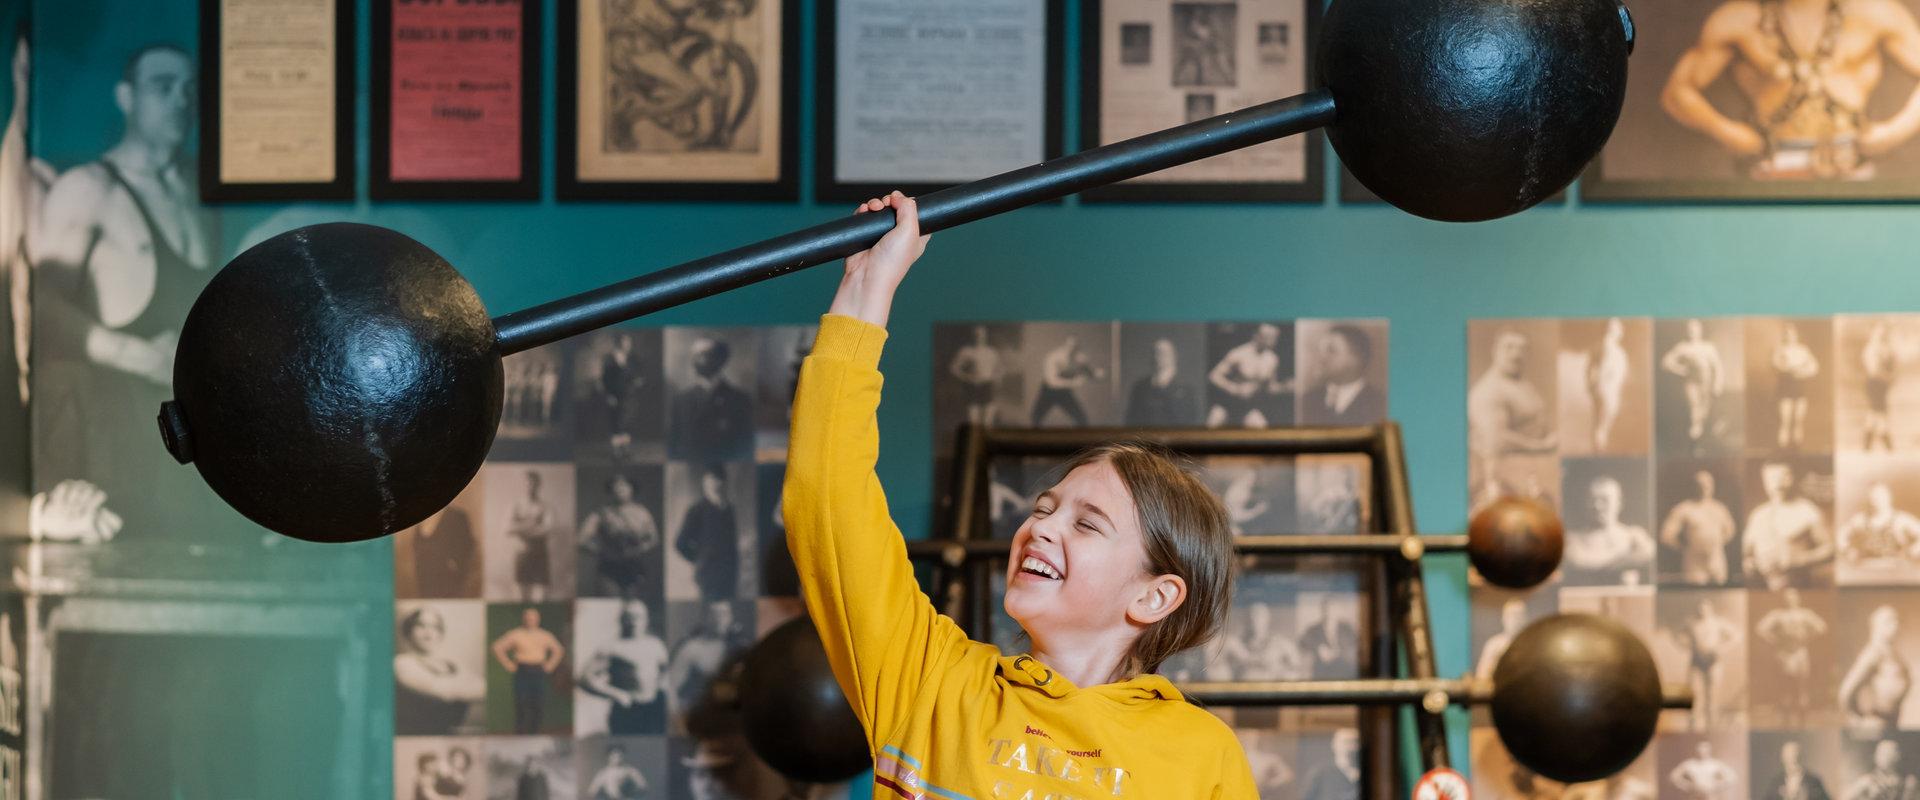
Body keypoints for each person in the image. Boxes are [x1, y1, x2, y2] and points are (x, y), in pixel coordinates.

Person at [783, 191, 1256, 797]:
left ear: (1154, 595)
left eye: (1088, 525)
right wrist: (868, 285)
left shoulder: (1201, 756)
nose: (1042, 528)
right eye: (1044, 508)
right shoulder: (926, 677)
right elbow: (827, 494)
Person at [31, 43, 219, 542]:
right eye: (163, 87)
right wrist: (139, 356)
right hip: (113, 444)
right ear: (125, 96)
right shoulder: (88, 190)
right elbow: (40, 315)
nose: (181, 100)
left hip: (194, 454)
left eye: (189, 89)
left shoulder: (201, 192)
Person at [1661, 0, 1920, 181]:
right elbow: (1677, 93)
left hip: (1850, 163)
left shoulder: (1876, 13)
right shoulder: (1740, 19)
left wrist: (1895, 131)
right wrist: (1730, 134)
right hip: (1772, 166)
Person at [1468, 329, 1557, 494]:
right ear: (1494, 350)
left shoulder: (1523, 385)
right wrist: (1542, 447)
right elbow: (1496, 440)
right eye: (1508, 347)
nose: (1516, 354)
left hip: (1533, 479)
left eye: (1522, 349)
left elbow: (1538, 423)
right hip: (1504, 482)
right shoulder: (1488, 390)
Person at [579, 598, 670, 735]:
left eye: (638, 617)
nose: (634, 621)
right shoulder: (612, 647)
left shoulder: (656, 645)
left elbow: (667, 671)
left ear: (646, 620)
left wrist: (661, 688)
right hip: (627, 712)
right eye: (629, 617)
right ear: (621, 620)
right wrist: (616, 694)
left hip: (653, 709)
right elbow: (584, 678)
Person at [394, 606, 485, 735]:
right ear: (408, 631)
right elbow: (444, 691)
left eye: (435, 626)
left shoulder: (452, 665)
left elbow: (483, 688)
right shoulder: (401, 663)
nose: (428, 632)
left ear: (440, 633)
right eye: (421, 625)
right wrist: (465, 685)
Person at [1744, 461, 1835, 589]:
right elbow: (1746, 554)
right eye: (1772, 478)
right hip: (1762, 588)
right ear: (1764, 481)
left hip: (1800, 586)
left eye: (1783, 477)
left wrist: (1800, 559)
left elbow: (1830, 549)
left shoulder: (1807, 510)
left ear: (1792, 478)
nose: (1778, 483)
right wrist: (1750, 564)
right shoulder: (1758, 514)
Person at [670, 336, 753, 460]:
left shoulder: (740, 400)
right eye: (695, 355)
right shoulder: (681, 400)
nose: (697, 360)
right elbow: (674, 445)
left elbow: (745, 446)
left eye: (704, 354)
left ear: (720, 359)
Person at [580, 472, 661, 598]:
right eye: (616, 487)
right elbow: (581, 539)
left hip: (634, 567)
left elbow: (654, 539)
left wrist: (639, 550)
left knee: (633, 607)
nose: (620, 490)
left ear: (631, 489)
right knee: (610, 606)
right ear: (611, 490)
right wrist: (603, 552)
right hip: (609, 568)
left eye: (624, 486)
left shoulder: (642, 512)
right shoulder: (601, 512)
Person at [1564, 475, 1656, 585]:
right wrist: (1624, 563)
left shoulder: (1634, 535)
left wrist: (1597, 565)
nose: (1597, 506)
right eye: (1592, 499)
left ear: (1619, 502)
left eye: (1605, 500)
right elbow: (1576, 561)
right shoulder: (1573, 539)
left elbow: (1649, 553)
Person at [1756, 588, 1829, 726]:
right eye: (1787, 598)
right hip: (1784, 653)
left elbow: (1822, 627)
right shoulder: (1778, 615)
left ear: (1798, 599)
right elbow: (1760, 628)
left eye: (1793, 597)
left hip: (1800, 652)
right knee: (1785, 689)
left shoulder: (1805, 614)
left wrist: (1807, 638)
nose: (1790, 600)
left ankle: (1803, 723)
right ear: (1783, 599)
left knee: (1801, 689)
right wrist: (1774, 639)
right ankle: (1786, 722)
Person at [665, 600, 741, 730]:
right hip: (700, 720)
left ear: (731, 618)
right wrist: (679, 720)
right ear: (704, 617)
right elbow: (671, 686)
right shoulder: (691, 648)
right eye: (714, 614)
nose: (719, 619)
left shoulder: (738, 647)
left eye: (724, 614)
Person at [491, 607, 566, 735]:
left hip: (538, 670)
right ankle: (520, 733)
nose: (530, 620)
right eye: (528, 617)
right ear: (524, 619)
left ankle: (534, 733)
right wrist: (508, 664)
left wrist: (550, 666)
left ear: (538, 619)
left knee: (538, 703)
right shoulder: (516, 634)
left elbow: (559, 650)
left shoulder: (545, 635)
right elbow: (497, 647)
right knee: (521, 702)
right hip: (522, 670)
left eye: (533, 618)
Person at [1673, 598, 1743, 731]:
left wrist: (1722, 648)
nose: (1703, 610)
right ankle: (1693, 726)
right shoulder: (1691, 623)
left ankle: (1711, 726)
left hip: (1713, 662)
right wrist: (1687, 645)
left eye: (1705, 608)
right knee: (1694, 695)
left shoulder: (1718, 622)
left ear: (1710, 609)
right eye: (1700, 608)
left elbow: (1737, 635)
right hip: (1696, 662)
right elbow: (1677, 636)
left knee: (1712, 695)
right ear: (1697, 609)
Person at [1841, 605, 1912, 736]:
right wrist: (1860, 719)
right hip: (1876, 725)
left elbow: (1905, 680)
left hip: (1893, 721)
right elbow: (1846, 691)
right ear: (1877, 626)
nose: (1895, 625)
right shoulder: (1872, 654)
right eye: (1889, 621)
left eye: (1897, 620)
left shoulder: (1894, 655)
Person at [674, 464, 740, 601]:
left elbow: (732, 542)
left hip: (730, 573)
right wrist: (700, 558)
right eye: (710, 480)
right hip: (708, 573)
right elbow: (680, 543)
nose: (715, 484)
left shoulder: (729, 509)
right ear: (704, 483)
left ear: (724, 482)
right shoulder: (696, 510)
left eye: (718, 479)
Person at [1660, 470, 1738, 585]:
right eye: (1700, 485)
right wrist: (1686, 548)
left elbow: (1730, 531)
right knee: (1696, 594)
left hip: (1716, 560)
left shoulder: (1720, 509)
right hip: (1694, 562)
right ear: (1694, 486)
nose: (1704, 488)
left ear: (1712, 486)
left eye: (1708, 484)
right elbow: (1666, 535)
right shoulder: (1684, 509)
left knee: (1719, 594)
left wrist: (1716, 545)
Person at [1207, 323, 1290, 428]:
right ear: (1257, 336)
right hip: (1226, 404)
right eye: (1269, 336)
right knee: (1212, 425)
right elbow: (1214, 376)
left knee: (1261, 427)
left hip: (1248, 408)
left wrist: (1286, 387)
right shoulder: (1238, 354)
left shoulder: (1272, 359)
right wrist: (1235, 389)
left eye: (1275, 337)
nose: (1273, 340)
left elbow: (1270, 388)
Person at [1303, 324, 1384, 426]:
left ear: (1356, 359)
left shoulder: (1378, 404)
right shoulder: (1306, 400)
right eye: (1320, 351)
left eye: (1331, 350)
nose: (1320, 358)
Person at [1663, 319, 1726, 449]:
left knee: (1705, 411)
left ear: (1700, 330)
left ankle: (1703, 435)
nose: (1692, 331)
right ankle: (1695, 438)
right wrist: (1680, 369)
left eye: (1695, 328)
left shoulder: (1708, 347)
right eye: (1689, 328)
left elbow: (1718, 367)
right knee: (1694, 408)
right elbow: (1665, 362)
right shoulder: (1683, 347)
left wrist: (1718, 384)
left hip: (1707, 382)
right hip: (1691, 382)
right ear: (1686, 331)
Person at [1840, 481, 1920, 581]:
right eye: (1873, 498)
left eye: (1880, 498)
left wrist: (1914, 551)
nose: (1876, 502)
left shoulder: (1901, 519)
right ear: (1869, 500)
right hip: (1867, 570)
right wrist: (1848, 550)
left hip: (1897, 572)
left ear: (1889, 498)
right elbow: (1840, 535)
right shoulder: (1860, 519)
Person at [1030, 335, 1102, 427]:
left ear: (1078, 349)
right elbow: (1052, 382)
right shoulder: (1053, 358)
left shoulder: (1080, 359)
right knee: (1035, 417)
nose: (1072, 351)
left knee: (1081, 418)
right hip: (1049, 391)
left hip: (1064, 392)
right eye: (1069, 347)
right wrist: (1073, 382)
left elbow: (1088, 372)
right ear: (1064, 347)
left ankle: (1081, 440)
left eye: (1075, 348)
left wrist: (1096, 374)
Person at [408, 506, 478, 598]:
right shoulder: (422, 517)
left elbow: (468, 544)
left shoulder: (457, 516)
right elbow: (417, 542)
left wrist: (455, 564)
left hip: (448, 577)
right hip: (425, 576)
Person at [1126, 338, 1197, 426]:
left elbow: (1191, 420)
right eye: (1155, 353)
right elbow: (1131, 420)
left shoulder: (1186, 388)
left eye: (1164, 353)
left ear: (1174, 356)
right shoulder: (1140, 387)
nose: (1158, 357)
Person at [509, 470, 555, 601]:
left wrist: (521, 527)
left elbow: (547, 529)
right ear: (523, 485)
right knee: (519, 597)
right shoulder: (516, 506)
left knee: (540, 597)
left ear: (538, 485)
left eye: (533, 484)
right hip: (521, 554)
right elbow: (507, 528)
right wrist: (533, 524)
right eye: (527, 483)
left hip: (540, 554)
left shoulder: (545, 506)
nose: (530, 487)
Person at [599, 331, 644, 460]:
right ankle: (616, 452)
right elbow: (604, 379)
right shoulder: (610, 359)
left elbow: (634, 376)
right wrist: (608, 395)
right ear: (619, 343)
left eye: (629, 342)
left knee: (627, 423)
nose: (628, 345)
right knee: (615, 424)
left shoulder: (632, 359)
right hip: (614, 396)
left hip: (629, 396)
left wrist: (637, 381)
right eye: (625, 342)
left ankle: (625, 451)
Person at [1775, 324, 1821, 449]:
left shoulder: (1803, 350)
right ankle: (1783, 449)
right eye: (1788, 334)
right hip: (1785, 385)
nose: (1790, 337)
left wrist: (1802, 372)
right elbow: (1778, 365)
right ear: (1785, 336)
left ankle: (1797, 449)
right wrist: (1794, 368)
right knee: (1785, 420)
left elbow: (1815, 367)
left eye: (1792, 334)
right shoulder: (1780, 349)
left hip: (1799, 386)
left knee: (1798, 420)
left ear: (1796, 335)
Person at [1587, 317, 1630, 451]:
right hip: (1606, 389)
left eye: (1620, 328)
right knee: (1602, 426)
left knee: (1604, 425)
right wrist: (1597, 384)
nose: (1620, 331)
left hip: (1612, 389)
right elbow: (1596, 369)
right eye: (1617, 328)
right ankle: (1599, 446)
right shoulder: (1606, 344)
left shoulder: (1616, 348)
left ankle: (1601, 445)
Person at [950, 325, 1004, 427]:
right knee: (974, 421)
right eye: (976, 334)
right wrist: (967, 377)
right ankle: (975, 440)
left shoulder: (991, 352)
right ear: (972, 336)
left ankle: (986, 442)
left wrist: (996, 380)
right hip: (972, 386)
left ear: (985, 336)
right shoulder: (966, 351)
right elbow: (954, 368)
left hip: (988, 385)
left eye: (982, 334)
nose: (979, 337)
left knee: (988, 421)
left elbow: (1000, 369)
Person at [1300, 595, 1359, 679]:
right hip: (1322, 671)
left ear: (1338, 610)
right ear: (1322, 611)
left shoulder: (1347, 628)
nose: (1330, 613)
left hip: (1344, 670)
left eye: (1333, 609)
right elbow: (1303, 642)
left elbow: (1355, 644)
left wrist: (1338, 652)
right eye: (1326, 609)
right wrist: (1318, 648)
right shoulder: (1313, 629)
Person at [1863, 321, 1900, 451]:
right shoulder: (1870, 348)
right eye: (1879, 333)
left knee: (1876, 413)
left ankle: (1869, 443)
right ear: (1873, 333)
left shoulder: (1886, 348)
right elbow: (1873, 370)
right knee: (1878, 412)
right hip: (1874, 383)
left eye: (1883, 333)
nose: (1881, 335)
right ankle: (1886, 443)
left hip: (1883, 384)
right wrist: (1889, 377)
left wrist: (1892, 375)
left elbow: (1894, 363)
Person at [1843, 739, 1919, 800]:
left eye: (1887, 753)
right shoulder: (1867, 781)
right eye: (1880, 754)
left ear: (1897, 756)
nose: (1882, 757)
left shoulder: (1908, 782)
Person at [1760, 740, 1832, 800]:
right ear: (1783, 759)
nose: (1793, 761)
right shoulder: (1776, 782)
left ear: (1802, 758)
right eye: (1789, 758)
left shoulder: (1814, 781)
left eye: (1796, 756)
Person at [1302, 728, 1361, 800]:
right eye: (1346, 742)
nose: (1351, 747)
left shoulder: (1369, 774)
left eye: (1355, 742)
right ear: (1334, 745)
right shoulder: (1320, 773)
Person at [1667, 739, 1738, 799]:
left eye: (1705, 749)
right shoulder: (1690, 764)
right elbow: (1673, 777)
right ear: (1696, 750)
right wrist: (1687, 786)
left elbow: (1731, 776)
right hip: (1695, 795)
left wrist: (1717, 786)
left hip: (1710, 795)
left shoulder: (1715, 764)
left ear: (1709, 750)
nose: (1702, 751)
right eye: (1700, 749)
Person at [1476, 599, 1527, 680]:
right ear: (1503, 618)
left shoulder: (1532, 645)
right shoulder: (1493, 644)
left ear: (1525, 619)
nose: (1515, 620)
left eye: (1518, 616)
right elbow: (1482, 676)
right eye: (1511, 615)